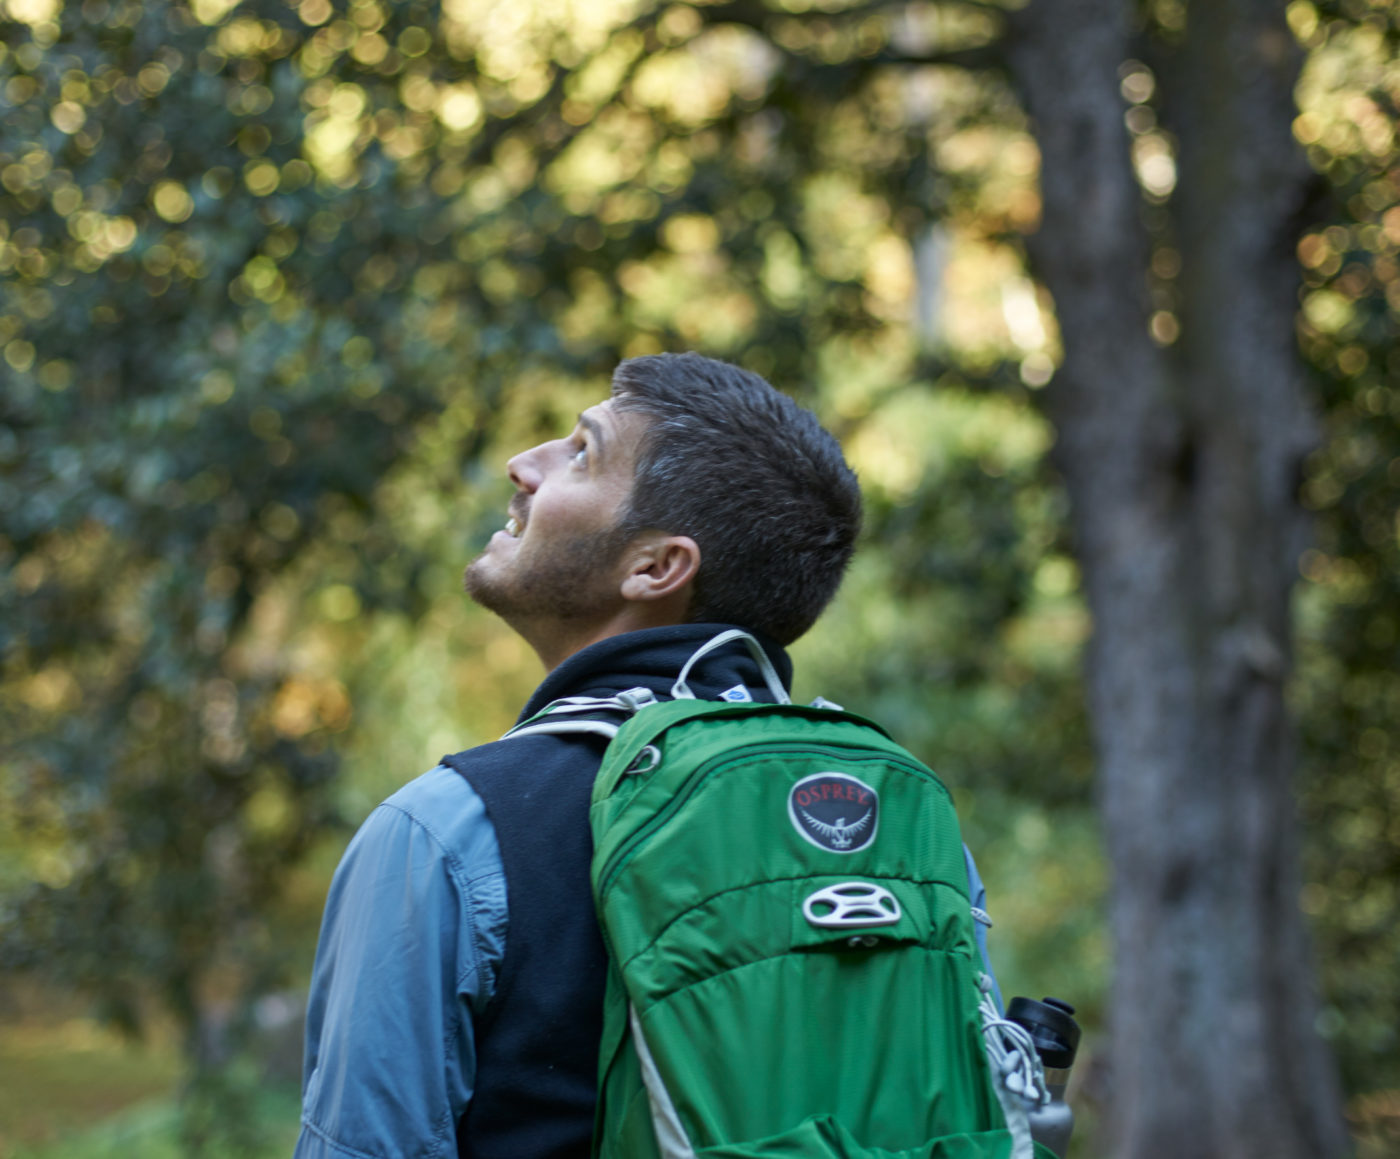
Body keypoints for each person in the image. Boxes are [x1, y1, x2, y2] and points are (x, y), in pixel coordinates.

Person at [294, 352, 994, 1158]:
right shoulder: (899, 827)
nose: (524, 464)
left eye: (582, 452)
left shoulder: (447, 833)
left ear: (656, 566)